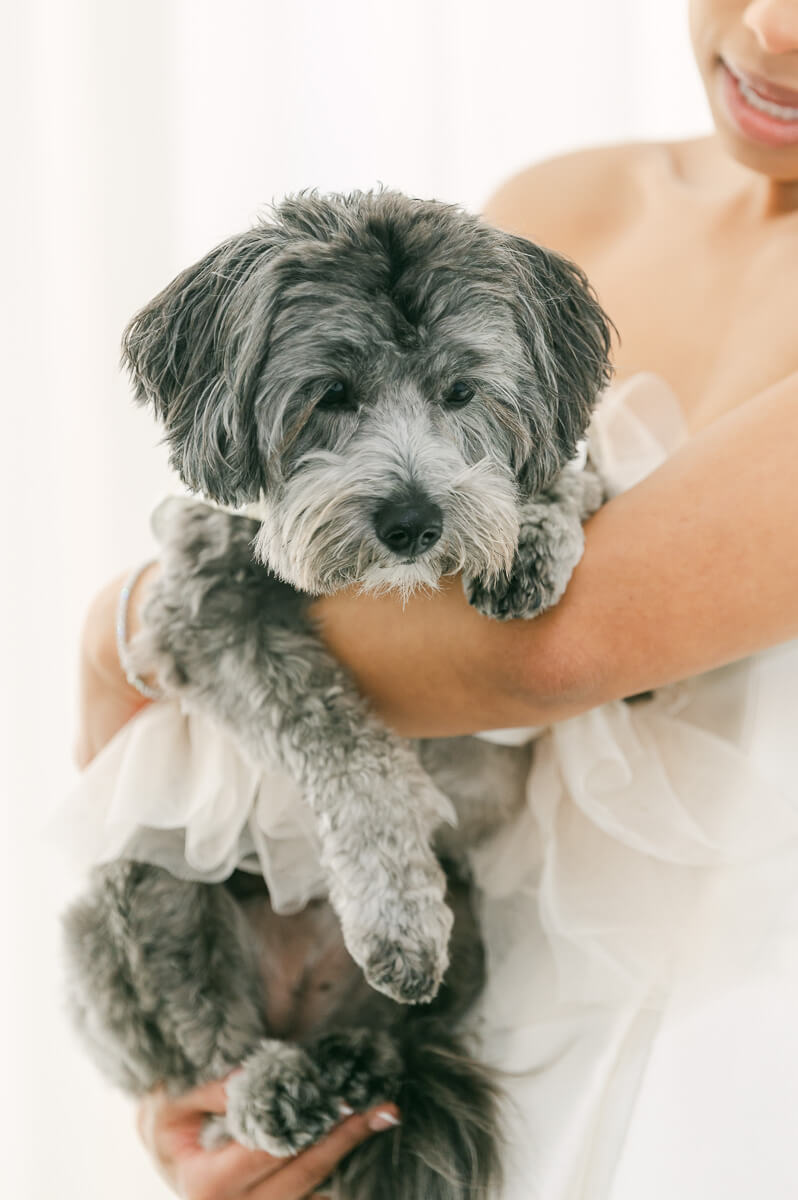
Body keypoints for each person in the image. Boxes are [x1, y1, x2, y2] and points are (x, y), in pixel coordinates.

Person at [75, 1, 798, 1196]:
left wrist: (116, 639)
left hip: (736, 1051)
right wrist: (190, 1068)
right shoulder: (559, 208)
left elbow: (547, 650)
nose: (773, 32)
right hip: (450, 1017)